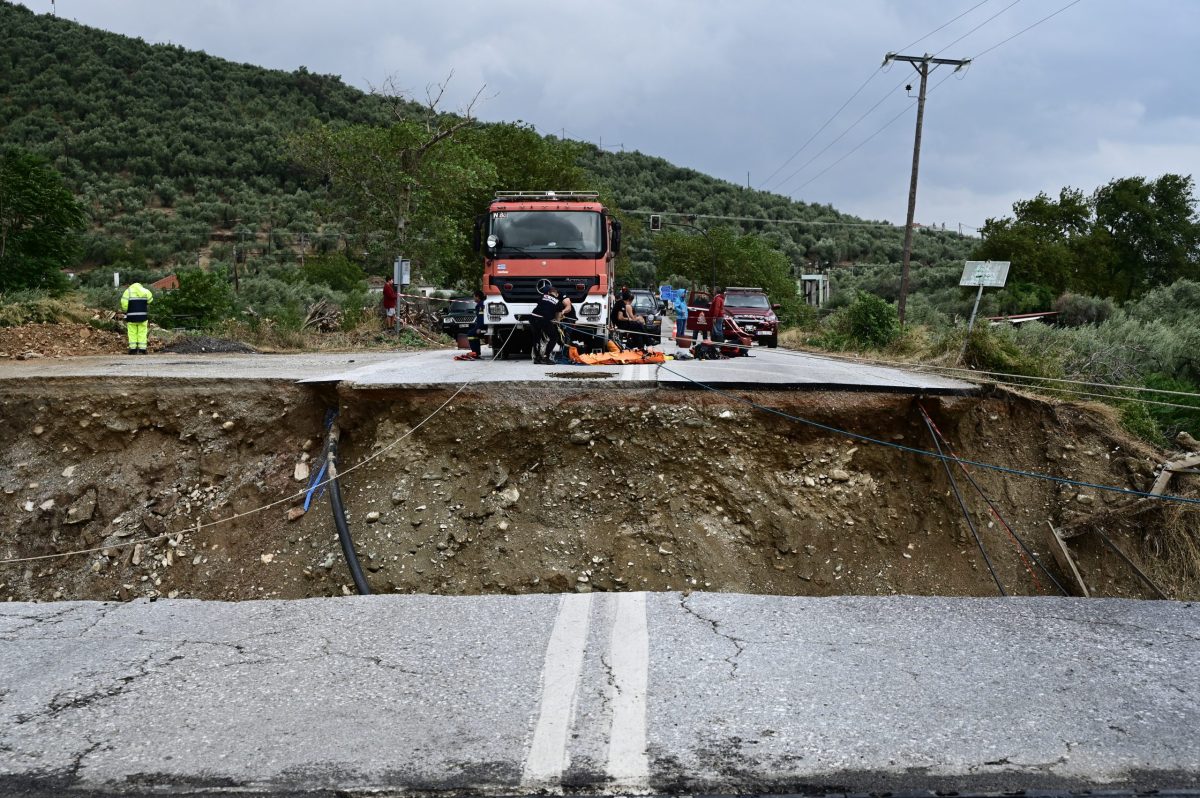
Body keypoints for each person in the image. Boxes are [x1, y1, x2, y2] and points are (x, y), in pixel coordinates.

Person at [530, 283, 570, 365]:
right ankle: (546, 357)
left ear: (548, 293)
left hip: (533, 317)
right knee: (554, 337)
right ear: (556, 293)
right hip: (543, 319)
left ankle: (537, 358)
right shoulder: (558, 302)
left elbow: (541, 306)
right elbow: (557, 318)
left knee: (536, 337)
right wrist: (556, 322)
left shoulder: (542, 297)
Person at [120, 282, 153, 354]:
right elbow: (150, 300)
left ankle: (133, 349)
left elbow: (124, 304)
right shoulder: (145, 291)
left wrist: (126, 311)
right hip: (143, 316)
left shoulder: (128, 291)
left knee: (132, 332)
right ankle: (142, 349)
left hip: (131, 316)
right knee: (142, 332)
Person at [467, 289, 486, 359]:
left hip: (483, 326)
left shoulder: (480, 305)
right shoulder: (482, 303)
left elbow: (481, 318)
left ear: (478, 297)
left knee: (470, 334)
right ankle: (476, 353)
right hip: (482, 325)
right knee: (472, 332)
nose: (473, 298)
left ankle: (475, 353)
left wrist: (479, 328)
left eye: (474, 296)